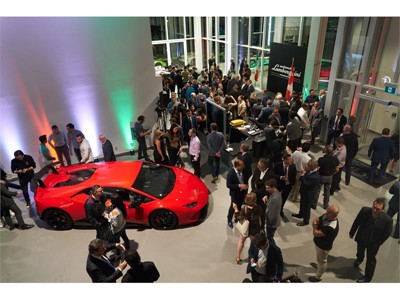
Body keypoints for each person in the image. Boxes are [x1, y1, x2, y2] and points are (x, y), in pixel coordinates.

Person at [349, 198, 392, 283]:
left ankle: (368, 277)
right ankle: (359, 259)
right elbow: (357, 221)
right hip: (362, 238)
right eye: (374, 207)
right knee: (360, 251)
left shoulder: (388, 220)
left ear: (383, 210)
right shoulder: (365, 210)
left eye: (378, 209)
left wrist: (378, 243)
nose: (374, 210)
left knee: (371, 260)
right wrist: (352, 232)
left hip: (373, 244)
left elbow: (387, 233)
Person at [308, 205, 340, 282]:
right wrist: (315, 225)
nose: (326, 213)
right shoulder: (327, 216)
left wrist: (315, 226)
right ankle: (319, 266)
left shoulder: (330, 228)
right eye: (327, 211)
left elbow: (315, 233)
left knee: (322, 262)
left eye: (329, 213)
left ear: (334, 215)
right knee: (320, 259)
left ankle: (318, 277)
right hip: (319, 243)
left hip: (323, 247)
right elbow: (315, 220)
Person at [234, 193, 263, 264]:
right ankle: (253, 258)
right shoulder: (259, 208)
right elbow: (261, 217)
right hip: (255, 229)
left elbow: (238, 218)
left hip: (245, 229)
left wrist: (236, 209)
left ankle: (238, 257)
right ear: (255, 200)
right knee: (254, 244)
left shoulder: (245, 209)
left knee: (241, 241)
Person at [292, 159, 320, 226]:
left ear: (313, 167)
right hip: (304, 192)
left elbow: (306, 184)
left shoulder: (315, 176)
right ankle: (301, 214)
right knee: (302, 204)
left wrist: (302, 176)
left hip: (309, 195)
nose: (307, 167)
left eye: (308, 166)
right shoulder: (309, 171)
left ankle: (306, 220)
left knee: (307, 208)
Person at [226, 159, 248, 229]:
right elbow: (228, 185)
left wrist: (245, 187)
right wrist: (239, 185)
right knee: (233, 206)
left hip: (242, 192)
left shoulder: (243, 171)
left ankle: (237, 216)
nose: (243, 167)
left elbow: (245, 179)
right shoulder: (231, 173)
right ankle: (229, 219)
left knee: (239, 205)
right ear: (237, 166)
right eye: (242, 166)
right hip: (234, 193)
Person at [263, 179, 282, 245]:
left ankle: (273, 249)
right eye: (266, 188)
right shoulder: (276, 193)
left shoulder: (274, 198)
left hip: (272, 223)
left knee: (270, 238)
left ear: (273, 187)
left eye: (268, 188)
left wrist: (268, 224)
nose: (266, 189)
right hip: (274, 221)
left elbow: (272, 214)